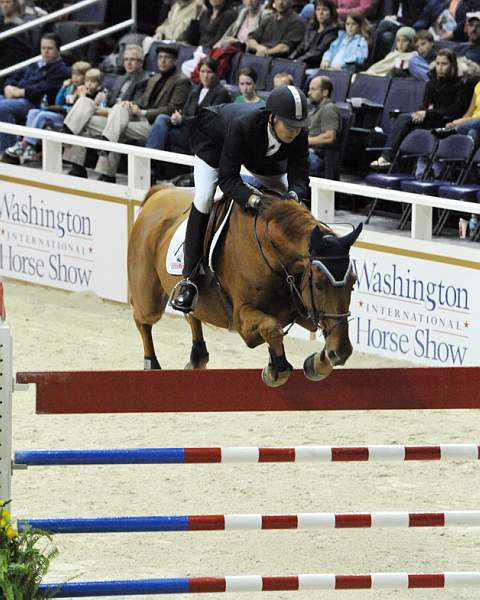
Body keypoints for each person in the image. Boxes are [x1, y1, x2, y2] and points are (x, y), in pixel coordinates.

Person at [171, 85, 310, 313]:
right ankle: (189, 280)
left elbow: (300, 176)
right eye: (290, 125)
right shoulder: (243, 125)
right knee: (205, 197)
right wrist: (253, 200)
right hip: (214, 143)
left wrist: (294, 196)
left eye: (299, 126)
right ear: (273, 118)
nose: (295, 131)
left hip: (260, 154)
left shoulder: (298, 134)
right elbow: (227, 179)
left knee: (294, 203)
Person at [88, 44, 191, 183]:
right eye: (160, 57)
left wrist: (143, 112)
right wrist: (131, 105)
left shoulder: (182, 81)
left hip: (159, 125)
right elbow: (143, 101)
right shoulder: (154, 79)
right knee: (114, 118)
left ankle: (107, 171)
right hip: (142, 121)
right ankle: (107, 169)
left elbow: (173, 108)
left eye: (167, 58)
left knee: (117, 129)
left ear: (174, 61)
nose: (163, 61)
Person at [370, 49, 472, 169]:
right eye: (438, 63)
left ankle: (386, 157)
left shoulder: (460, 85)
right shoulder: (432, 83)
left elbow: (454, 111)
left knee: (405, 120)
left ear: (452, 65)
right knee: (405, 122)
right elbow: (424, 105)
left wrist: (426, 114)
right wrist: (419, 114)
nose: (440, 68)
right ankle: (389, 160)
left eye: (444, 64)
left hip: (447, 122)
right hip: (432, 119)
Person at [63, 44, 149, 178]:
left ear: (141, 62)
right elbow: (109, 101)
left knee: (114, 125)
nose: (129, 63)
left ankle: (106, 173)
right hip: (111, 113)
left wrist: (110, 110)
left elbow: (137, 105)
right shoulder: (121, 78)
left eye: (133, 59)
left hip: (127, 115)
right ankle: (68, 137)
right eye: (126, 59)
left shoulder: (145, 80)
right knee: (85, 103)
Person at [2, 60, 91, 164]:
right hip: (60, 114)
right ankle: (29, 146)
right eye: (73, 74)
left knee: (43, 115)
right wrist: (63, 88)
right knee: (33, 112)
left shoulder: (85, 91)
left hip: (69, 119)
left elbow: (75, 109)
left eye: (79, 75)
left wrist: (76, 98)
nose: (75, 77)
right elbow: (59, 101)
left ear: (86, 77)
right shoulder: (70, 87)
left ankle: (26, 144)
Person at [145, 56, 230, 156]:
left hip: (201, 136)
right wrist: (177, 116)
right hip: (187, 129)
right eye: (202, 71)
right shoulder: (195, 90)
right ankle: (150, 158)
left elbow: (208, 121)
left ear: (216, 74)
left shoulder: (221, 93)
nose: (205, 76)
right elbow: (185, 111)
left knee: (160, 133)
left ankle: (150, 160)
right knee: (162, 118)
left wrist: (182, 120)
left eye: (209, 72)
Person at [0, 32, 69, 153]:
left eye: (50, 48)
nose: (45, 51)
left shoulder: (60, 69)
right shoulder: (34, 63)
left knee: (2, 107)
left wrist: (22, 92)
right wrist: (8, 86)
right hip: (17, 97)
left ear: (58, 50)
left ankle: (8, 150)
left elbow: (45, 88)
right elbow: (15, 76)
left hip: (34, 103)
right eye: (43, 48)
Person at [289, 0, 339, 69]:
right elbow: (301, 47)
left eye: (324, 10)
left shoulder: (333, 31)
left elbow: (317, 53)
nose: (321, 13)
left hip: (314, 65)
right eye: (318, 9)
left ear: (331, 13)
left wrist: (298, 61)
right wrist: (290, 59)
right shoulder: (311, 27)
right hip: (301, 63)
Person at [306, 75, 340, 175]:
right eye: (309, 89)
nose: (309, 93)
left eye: (313, 89)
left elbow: (329, 137)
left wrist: (302, 141)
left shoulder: (329, 108)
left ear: (325, 92)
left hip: (316, 156)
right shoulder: (316, 109)